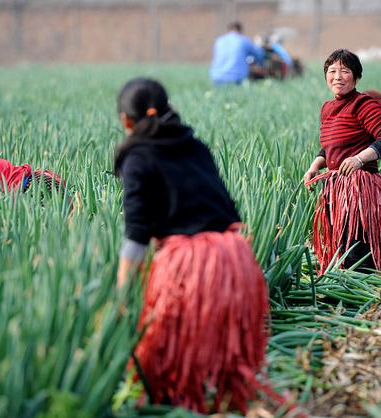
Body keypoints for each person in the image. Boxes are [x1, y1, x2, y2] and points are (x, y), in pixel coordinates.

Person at [113, 78, 270, 413]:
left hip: (193, 264)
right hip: (233, 257)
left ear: (126, 121)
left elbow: (137, 234)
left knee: (166, 360)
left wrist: (122, 296)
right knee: (222, 360)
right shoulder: (194, 145)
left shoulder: (137, 158)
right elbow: (229, 210)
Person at [303, 49, 381, 276]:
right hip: (335, 186)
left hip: (359, 188)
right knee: (339, 243)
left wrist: (359, 159)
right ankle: (345, 291)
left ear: (355, 77)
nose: (337, 76)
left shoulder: (363, 104)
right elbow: (330, 146)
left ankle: (365, 293)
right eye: (332, 71)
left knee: (357, 244)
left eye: (344, 71)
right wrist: (315, 166)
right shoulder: (327, 108)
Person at [209, 21, 265, 85]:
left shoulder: (219, 41)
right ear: (240, 30)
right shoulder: (243, 40)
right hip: (236, 78)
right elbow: (259, 55)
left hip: (216, 77)